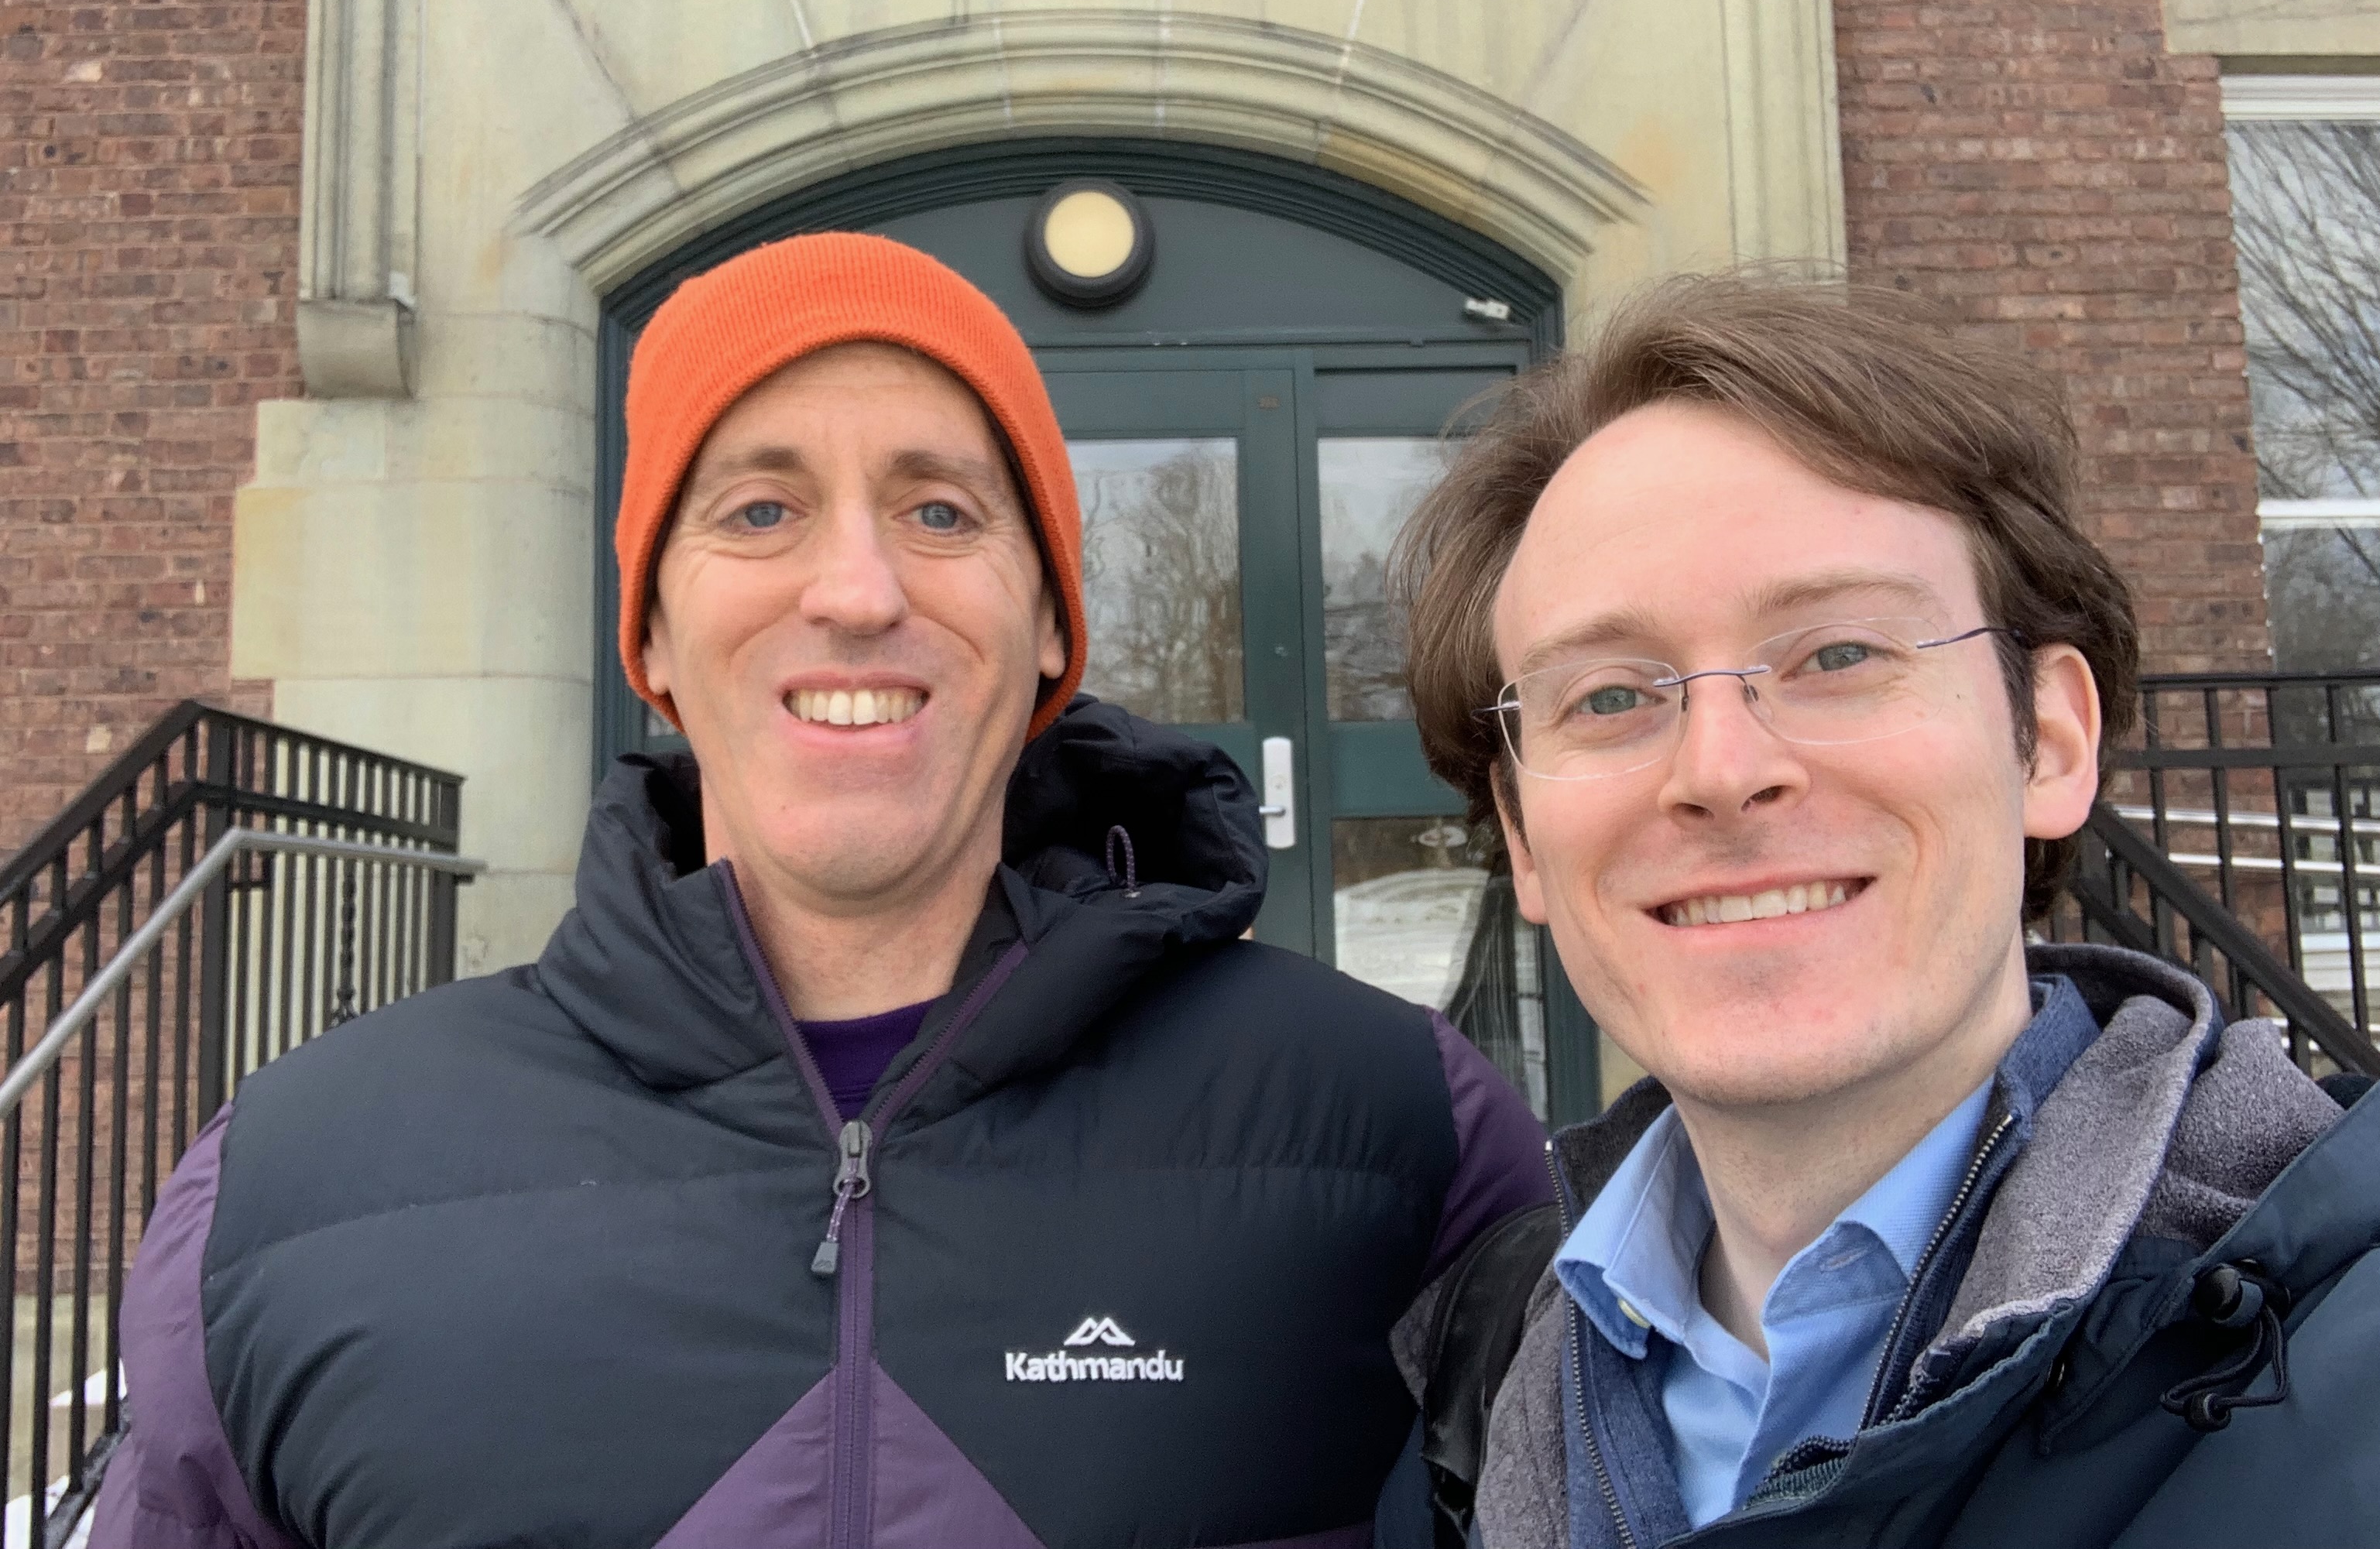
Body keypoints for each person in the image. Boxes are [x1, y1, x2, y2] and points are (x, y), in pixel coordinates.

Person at [94, 233, 1552, 1548]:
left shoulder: (1394, 1128)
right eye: (760, 510)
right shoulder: (289, 1187)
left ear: (1050, 622)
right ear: (651, 635)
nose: (857, 591)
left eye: (938, 513)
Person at [1388, 275, 2380, 1548]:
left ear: (2051, 742)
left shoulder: (2353, 1373)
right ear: (1524, 835)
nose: (1718, 768)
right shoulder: (1466, 1400)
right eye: (1608, 697)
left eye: (1840, 655)